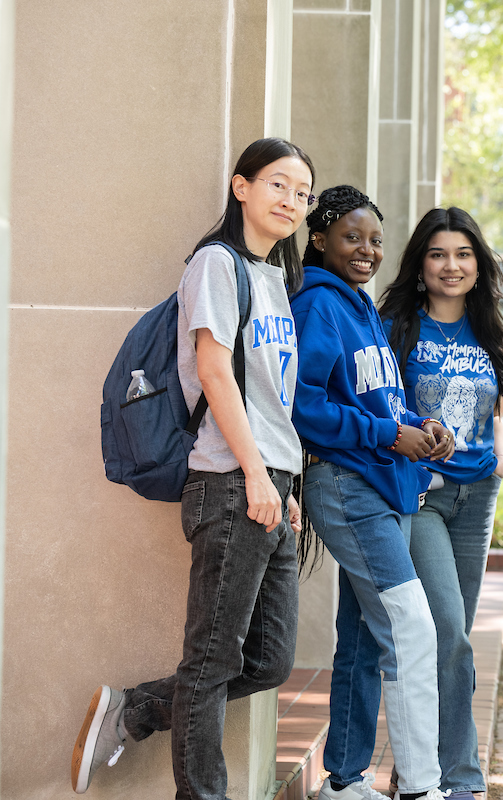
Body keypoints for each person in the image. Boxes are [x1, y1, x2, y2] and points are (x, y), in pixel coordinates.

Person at [71, 137, 314, 799]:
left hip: (271, 484)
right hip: (231, 481)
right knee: (210, 662)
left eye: (302, 192)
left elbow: (268, 391)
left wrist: (283, 480)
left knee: (266, 659)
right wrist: (257, 473)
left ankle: (140, 708)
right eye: (278, 185)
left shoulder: (272, 277)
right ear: (241, 188)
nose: (291, 200)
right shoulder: (216, 262)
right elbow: (213, 369)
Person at [289, 185, 453, 800]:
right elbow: (302, 407)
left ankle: (344, 781)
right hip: (348, 484)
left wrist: (420, 427)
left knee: (362, 636)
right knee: (411, 626)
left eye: (376, 240)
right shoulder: (318, 305)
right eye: (352, 237)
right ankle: (419, 786)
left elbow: (380, 395)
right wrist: (390, 434)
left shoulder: (359, 308)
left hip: (386, 484)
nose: (366, 250)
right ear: (320, 239)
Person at [376, 207, 503, 799]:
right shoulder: (397, 326)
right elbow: (377, 403)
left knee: (447, 641)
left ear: (479, 265)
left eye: (463, 254)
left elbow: (495, 416)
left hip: (478, 496)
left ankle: (422, 771)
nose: (451, 265)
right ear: (420, 265)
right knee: (449, 633)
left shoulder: (491, 332)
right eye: (437, 254)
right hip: (422, 495)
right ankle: (458, 778)